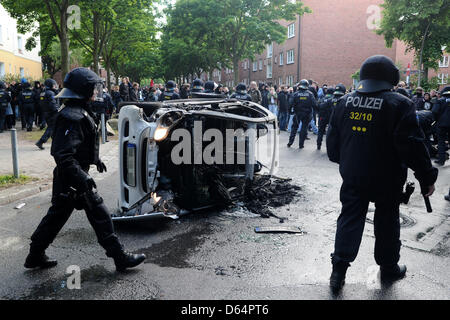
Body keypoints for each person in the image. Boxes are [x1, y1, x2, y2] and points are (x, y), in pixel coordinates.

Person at [326, 55, 438, 293]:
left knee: (350, 217)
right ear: (392, 77)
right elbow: (413, 145)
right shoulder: (399, 103)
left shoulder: (344, 102)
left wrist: (345, 160)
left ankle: (338, 271)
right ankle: (388, 267)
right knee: (387, 221)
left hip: (354, 175)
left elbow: (333, 142)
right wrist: (426, 176)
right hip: (387, 177)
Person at [25, 68, 146, 271]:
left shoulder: (79, 110)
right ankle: (119, 257)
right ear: (84, 89)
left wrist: (95, 159)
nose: (97, 91)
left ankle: (35, 255)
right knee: (92, 215)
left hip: (74, 177)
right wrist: (82, 177)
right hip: (71, 179)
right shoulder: (72, 116)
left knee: (62, 218)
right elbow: (63, 154)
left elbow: (81, 144)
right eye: (94, 87)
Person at [287, 79, 317, 149]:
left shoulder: (295, 94)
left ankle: (290, 142)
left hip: (297, 113)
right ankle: (301, 145)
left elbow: (290, 104)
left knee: (294, 128)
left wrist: (290, 112)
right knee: (304, 128)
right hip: (307, 114)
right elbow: (314, 104)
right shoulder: (310, 94)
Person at [35, 79, 60, 150]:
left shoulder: (43, 92)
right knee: (51, 128)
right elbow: (53, 104)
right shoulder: (50, 93)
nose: (55, 86)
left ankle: (55, 143)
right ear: (50, 85)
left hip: (46, 113)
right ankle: (41, 141)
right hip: (52, 113)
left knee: (53, 128)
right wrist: (58, 110)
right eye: (54, 85)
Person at [432, 86, 450, 166]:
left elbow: (435, 112)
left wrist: (436, 120)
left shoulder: (440, 100)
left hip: (442, 124)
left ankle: (441, 160)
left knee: (441, 141)